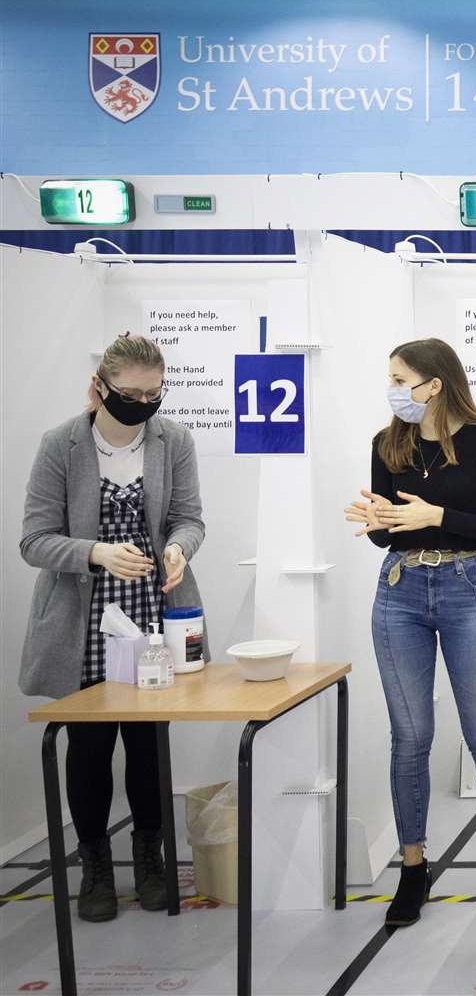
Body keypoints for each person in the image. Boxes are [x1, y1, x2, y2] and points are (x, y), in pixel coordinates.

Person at [19, 333, 205, 922]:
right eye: (131, 393)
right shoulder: (62, 445)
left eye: (154, 393)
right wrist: (96, 553)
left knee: (149, 746)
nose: (144, 403)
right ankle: (95, 864)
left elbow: (189, 518)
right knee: (90, 749)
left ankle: (149, 857)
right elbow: (34, 540)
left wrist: (177, 550)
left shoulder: (173, 439)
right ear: (97, 389)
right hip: (84, 622)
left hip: (155, 612)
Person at [344, 338, 476, 927]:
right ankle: (414, 866)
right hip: (399, 590)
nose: (395, 390)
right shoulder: (387, 443)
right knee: (411, 734)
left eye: (403, 380)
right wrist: (378, 523)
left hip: (469, 586)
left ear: (435, 384)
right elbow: (387, 532)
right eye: (391, 379)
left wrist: (437, 515)